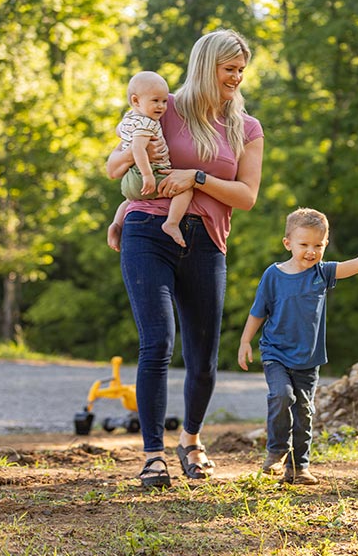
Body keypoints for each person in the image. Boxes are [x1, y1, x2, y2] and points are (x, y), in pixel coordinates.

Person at [105, 29, 265, 488]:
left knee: (203, 356)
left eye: (241, 70)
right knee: (157, 342)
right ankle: (153, 453)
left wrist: (194, 176)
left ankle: (191, 440)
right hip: (148, 230)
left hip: (207, 239)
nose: (236, 77)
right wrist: (135, 160)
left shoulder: (245, 127)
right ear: (205, 65)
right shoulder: (162, 106)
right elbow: (114, 166)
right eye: (228, 68)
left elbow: (247, 195)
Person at [238, 208, 358, 485]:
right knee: (282, 396)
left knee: (304, 411)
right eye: (304, 245)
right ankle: (276, 452)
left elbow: (356, 264)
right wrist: (245, 341)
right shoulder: (273, 275)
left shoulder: (322, 273)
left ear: (325, 245)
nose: (311, 251)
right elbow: (258, 311)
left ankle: (299, 468)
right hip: (276, 354)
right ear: (288, 244)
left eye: (318, 245)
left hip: (308, 359)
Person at [107, 71, 192, 251]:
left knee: (130, 200)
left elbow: (118, 132)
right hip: (148, 174)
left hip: (129, 180)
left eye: (164, 101)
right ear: (136, 101)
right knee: (185, 189)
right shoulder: (148, 123)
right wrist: (147, 175)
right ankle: (172, 223)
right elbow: (138, 148)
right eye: (155, 101)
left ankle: (116, 224)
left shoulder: (129, 118)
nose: (161, 106)